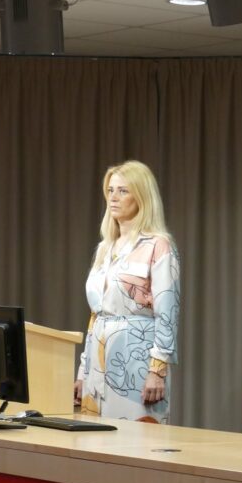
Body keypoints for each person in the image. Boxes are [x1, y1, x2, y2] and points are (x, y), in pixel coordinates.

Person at [74, 160, 181, 423]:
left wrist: (158, 369)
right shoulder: (105, 248)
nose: (113, 197)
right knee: (93, 439)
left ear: (142, 196)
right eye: (110, 190)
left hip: (136, 361)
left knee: (135, 439)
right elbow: (95, 316)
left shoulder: (158, 245)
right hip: (97, 363)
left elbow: (167, 313)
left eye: (123, 191)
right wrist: (83, 371)